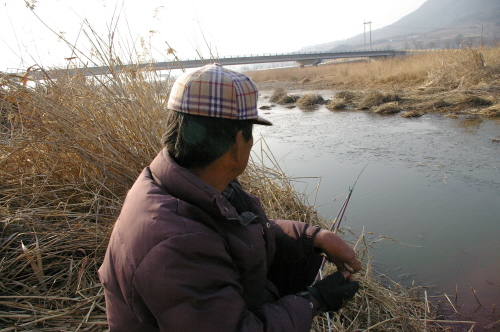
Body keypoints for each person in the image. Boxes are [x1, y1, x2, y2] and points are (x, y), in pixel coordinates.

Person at [98, 63, 361, 332]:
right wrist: (314, 301)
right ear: (238, 144)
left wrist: (313, 237)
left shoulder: (181, 185)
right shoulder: (177, 244)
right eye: (251, 133)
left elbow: (246, 233)